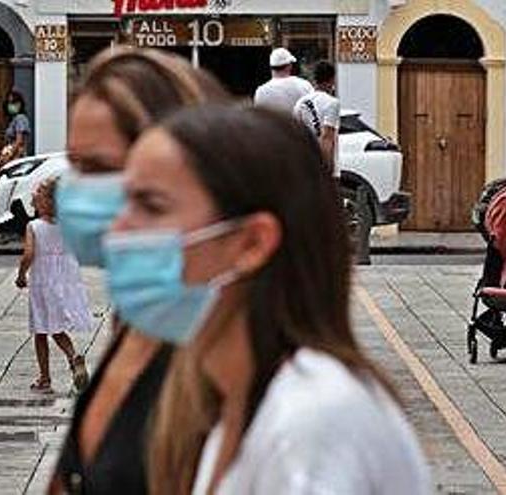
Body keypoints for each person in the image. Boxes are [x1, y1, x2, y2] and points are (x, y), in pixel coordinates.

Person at [95, 105, 430, 494]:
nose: (118, 229)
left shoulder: (311, 422)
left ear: (252, 243)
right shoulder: (236, 402)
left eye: (152, 206)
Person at [50, 47, 230, 494]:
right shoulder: (140, 316)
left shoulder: (230, 353)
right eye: (75, 165)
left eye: (99, 169)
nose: (76, 191)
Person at [16, 178, 90, 394]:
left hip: (42, 284)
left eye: (38, 191)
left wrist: (21, 274)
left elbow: (29, 254)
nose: (33, 193)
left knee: (41, 331)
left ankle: (45, 377)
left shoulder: (34, 226)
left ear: (45, 201)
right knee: (57, 328)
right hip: (64, 282)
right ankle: (73, 357)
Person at [294, 60, 341, 178]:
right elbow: (326, 137)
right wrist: (327, 169)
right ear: (331, 80)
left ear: (314, 80)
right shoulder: (332, 103)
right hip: (321, 166)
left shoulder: (300, 102)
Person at [253, 47, 314, 114]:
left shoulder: (261, 91)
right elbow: (313, 113)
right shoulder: (304, 85)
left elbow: (260, 118)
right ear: (290, 66)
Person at [0, 89, 30, 171]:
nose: (12, 105)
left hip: (16, 155)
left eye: (15, 102)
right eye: (10, 103)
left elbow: (19, 141)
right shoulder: (13, 120)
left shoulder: (20, 118)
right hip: (10, 153)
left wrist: (9, 156)